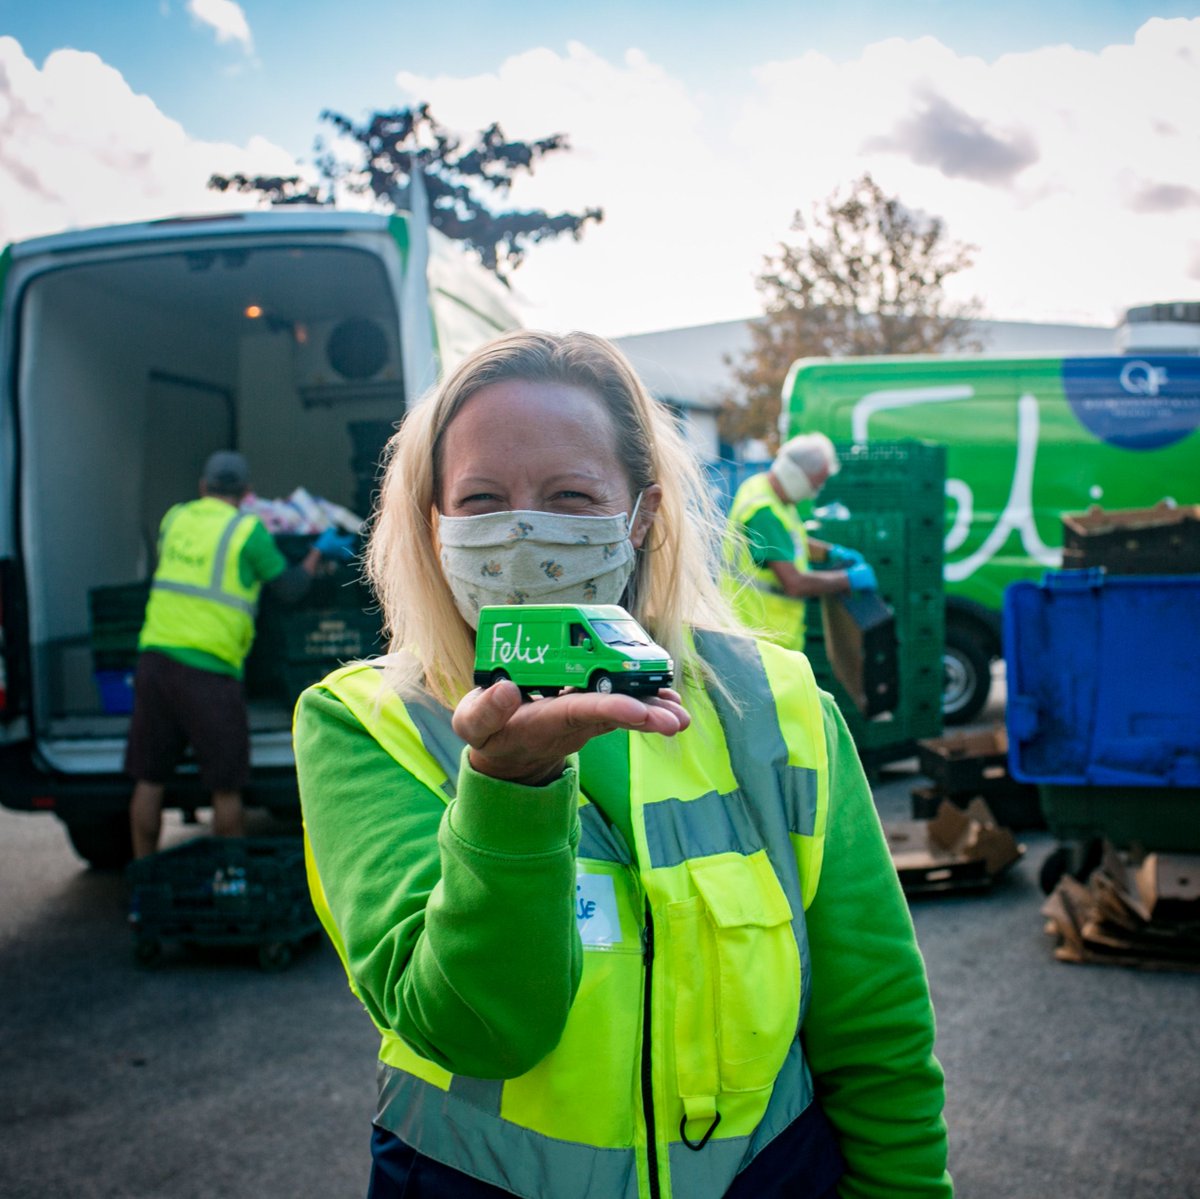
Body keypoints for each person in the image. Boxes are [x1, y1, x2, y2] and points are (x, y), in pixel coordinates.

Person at [294, 331, 952, 1199]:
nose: (525, 531)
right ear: (434, 522)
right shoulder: (366, 723)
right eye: (482, 498)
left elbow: (876, 1030)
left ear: (639, 515)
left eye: (570, 496)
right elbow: (476, 1029)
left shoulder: (783, 708)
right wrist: (507, 793)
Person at [126, 450, 355, 858]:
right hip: (209, 672)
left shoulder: (174, 517)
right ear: (247, 493)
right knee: (225, 786)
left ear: (202, 487)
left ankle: (141, 886)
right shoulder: (248, 532)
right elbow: (289, 589)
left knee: (149, 779)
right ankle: (230, 880)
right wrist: (318, 552)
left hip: (155, 661)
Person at [723, 433, 878, 652]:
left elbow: (789, 540)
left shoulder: (763, 490)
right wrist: (847, 580)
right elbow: (794, 583)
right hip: (763, 640)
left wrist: (831, 552)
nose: (813, 494)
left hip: (769, 636)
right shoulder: (764, 513)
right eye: (814, 485)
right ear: (795, 475)